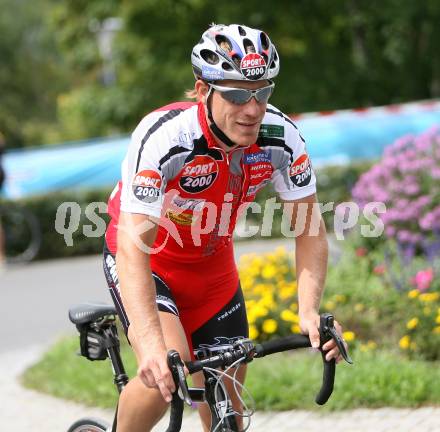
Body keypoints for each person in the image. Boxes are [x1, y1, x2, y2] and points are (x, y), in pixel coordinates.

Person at [104, 23, 345, 432]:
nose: (251, 109)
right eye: (235, 94)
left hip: (213, 270)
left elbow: (308, 229)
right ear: (203, 91)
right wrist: (148, 345)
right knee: (166, 374)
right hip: (150, 265)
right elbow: (133, 247)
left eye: (262, 92)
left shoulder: (281, 137)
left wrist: (308, 311)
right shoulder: (167, 138)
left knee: (228, 410)